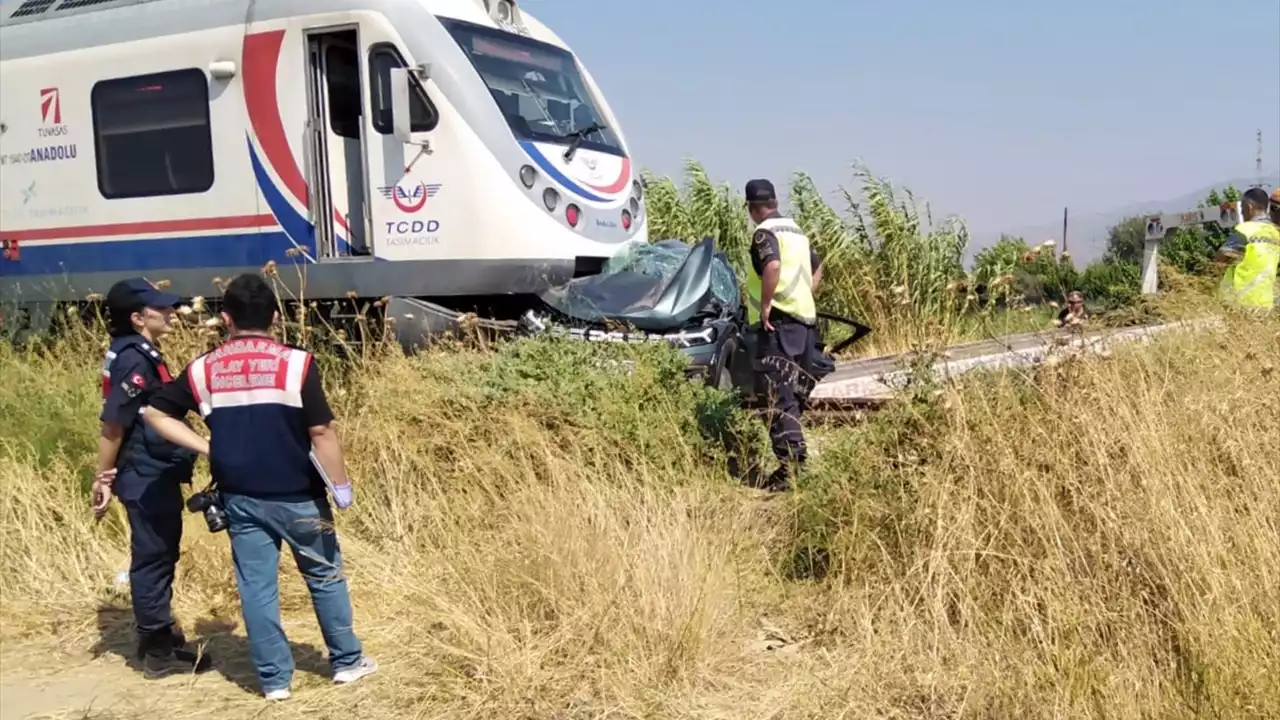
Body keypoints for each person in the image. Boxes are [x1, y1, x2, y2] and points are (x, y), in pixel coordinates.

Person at [140, 273, 373, 701]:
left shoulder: (203, 368)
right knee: (324, 577)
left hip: (240, 496)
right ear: (277, 317)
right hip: (300, 494)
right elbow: (321, 431)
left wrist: (208, 447)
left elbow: (155, 413)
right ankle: (346, 662)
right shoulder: (298, 363)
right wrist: (341, 487)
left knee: (256, 588)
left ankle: (274, 681)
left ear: (225, 318)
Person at [91, 278, 212, 676]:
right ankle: (157, 649)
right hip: (143, 472)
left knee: (160, 551)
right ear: (138, 318)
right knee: (154, 555)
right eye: (162, 308)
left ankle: (161, 635)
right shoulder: (134, 359)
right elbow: (114, 423)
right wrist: (103, 477)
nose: (172, 312)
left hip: (149, 469)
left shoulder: (138, 351)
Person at [743, 178, 823, 492]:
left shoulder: (765, 233)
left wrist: (765, 306)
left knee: (778, 394)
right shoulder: (797, 233)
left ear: (752, 208)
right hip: (804, 323)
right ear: (775, 202)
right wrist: (805, 292)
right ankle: (793, 465)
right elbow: (818, 268)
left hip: (777, 323)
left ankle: (793, 470)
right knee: (794, 392)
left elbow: (772, 265)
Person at [1215, 187, 1280, 312]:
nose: (1243, 214)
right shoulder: (1275, 234)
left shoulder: (1246, 230)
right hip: (1266, 302)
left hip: (1240, 302)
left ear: (1249, 208)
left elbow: (1220, 258)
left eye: (1243, 210)